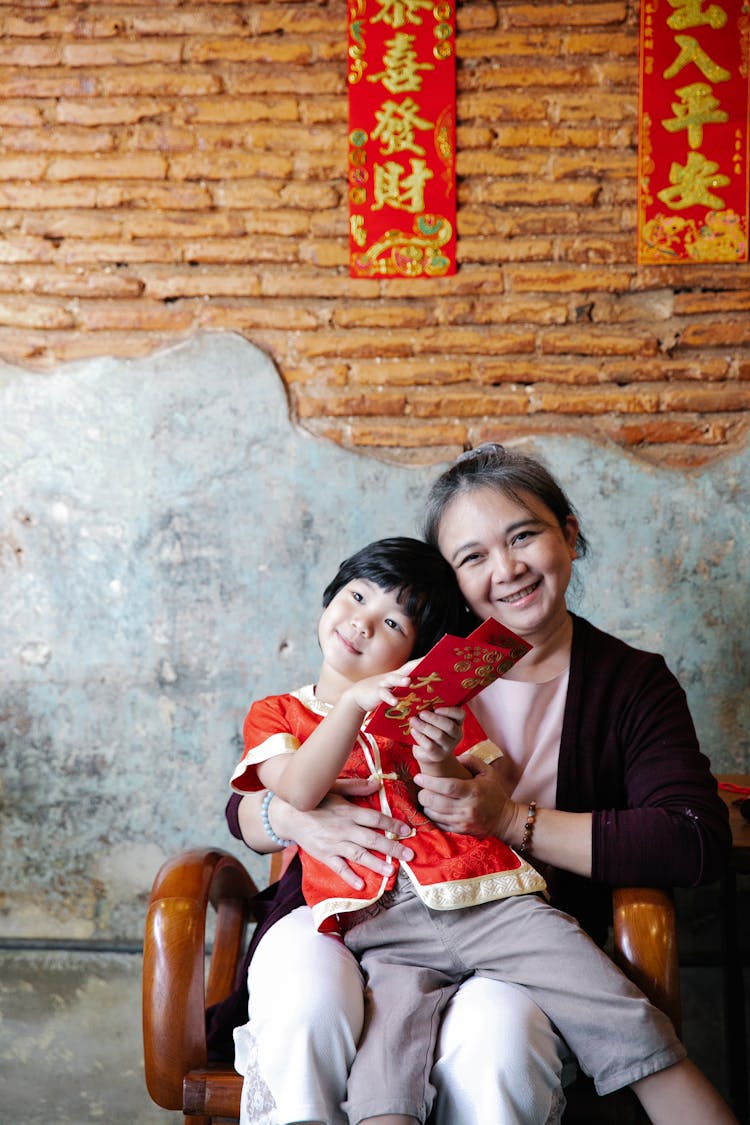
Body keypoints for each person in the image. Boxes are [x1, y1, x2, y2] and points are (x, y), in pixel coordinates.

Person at [216, 444, 732, 1125]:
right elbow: (254, 800)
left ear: (569, 535)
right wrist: (291, 815)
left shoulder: (628, 683)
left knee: (499, 1043)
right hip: (369, 919)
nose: (507, 568)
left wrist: (512, 818)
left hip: (507, 919)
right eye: (472, 556)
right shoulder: (405, 672)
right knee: (362, 1047)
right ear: (450, 582)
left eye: (523, 536)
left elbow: (692, 839)